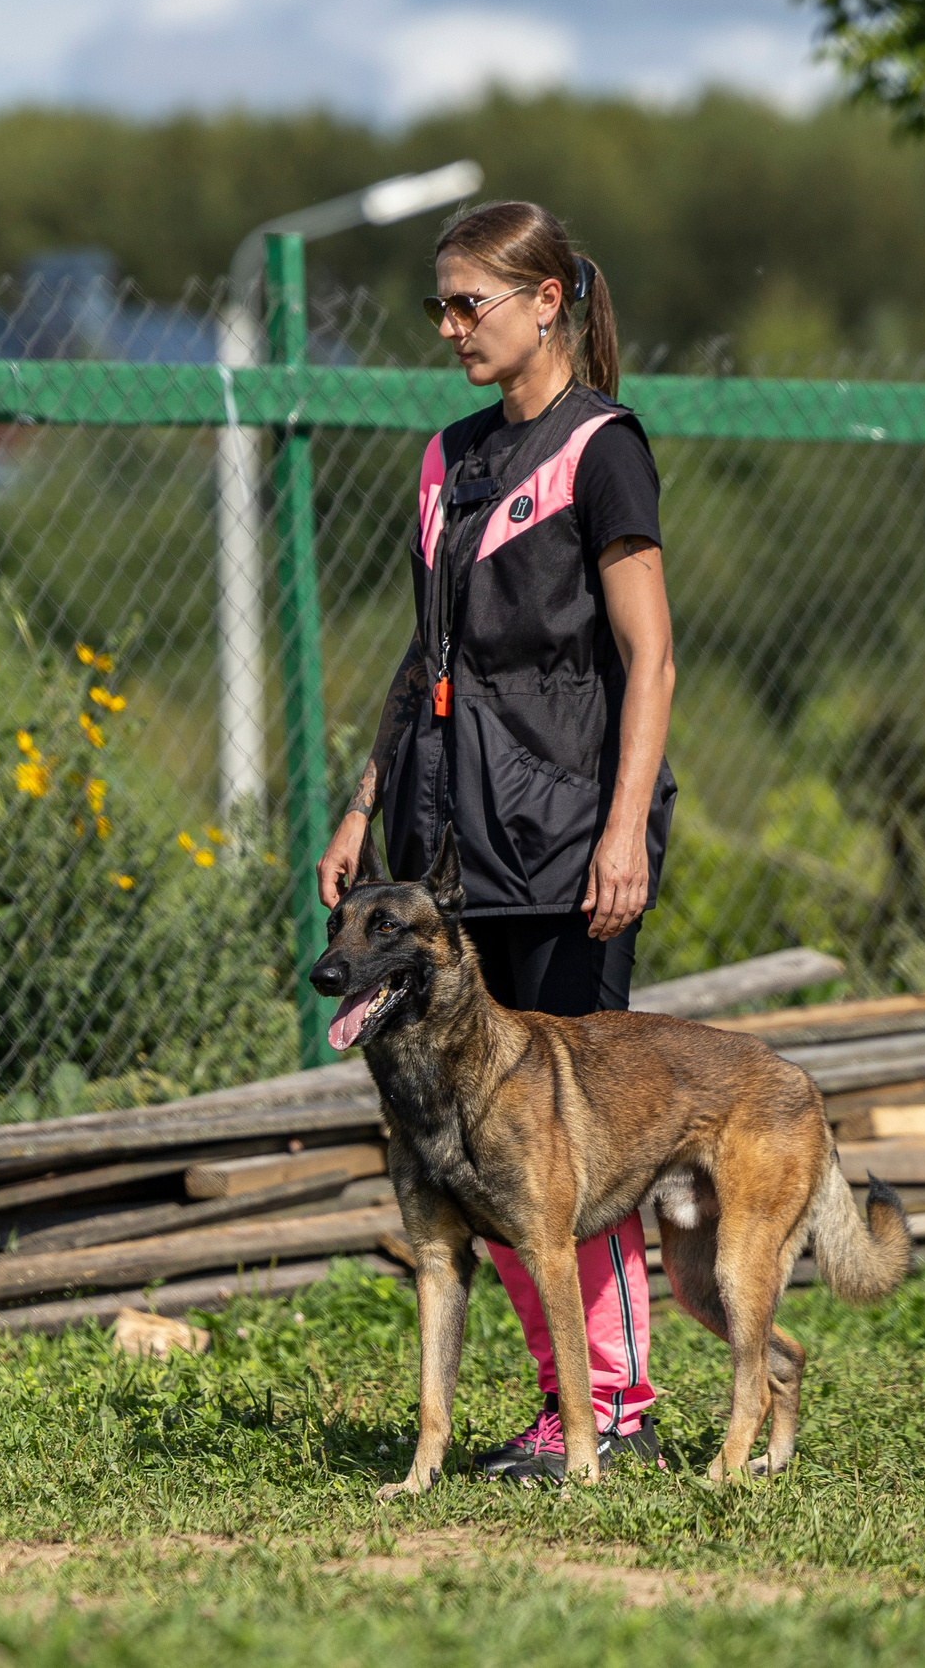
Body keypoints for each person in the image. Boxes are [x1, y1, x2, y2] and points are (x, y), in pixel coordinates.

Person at [315, 199, 678, 1483]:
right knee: (472, 1140)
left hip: (572, 829)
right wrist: (366, 806)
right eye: (443, 305)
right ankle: (553, 1404)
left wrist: (625, 825)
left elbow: (649, 656)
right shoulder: (446, 457)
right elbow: (431, 656)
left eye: (472, 302)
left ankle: (615, 1406)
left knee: (560, 1146)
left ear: (546, 302)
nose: (453, 327)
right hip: (446, 842)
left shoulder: (601, 449)